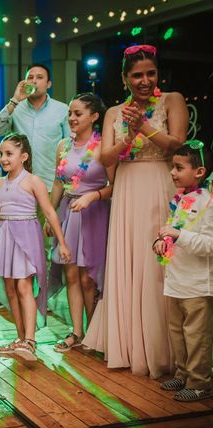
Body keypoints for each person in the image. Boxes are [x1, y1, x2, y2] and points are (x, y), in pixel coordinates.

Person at [83, 45, 188, 378]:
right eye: (137, 75)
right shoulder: (115, 112)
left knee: (159, 265)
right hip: (128, 189)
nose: (145, 81)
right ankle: (130, 345)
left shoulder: (172, 100)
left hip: (161, 184)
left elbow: (177, 144)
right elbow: (105, 158)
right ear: (125, 78)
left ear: (158, 74)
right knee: (131, 262)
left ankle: (170, 352)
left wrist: (144, 126)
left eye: (151, 73)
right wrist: (127, 136)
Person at [0, 134, 70, 361]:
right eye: (1, 154)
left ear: (24, 156)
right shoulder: (0, 183)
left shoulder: (33, 181)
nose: (3, 158)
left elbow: (49, 212)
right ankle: (20, 339)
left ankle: (30, 341)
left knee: (24, 287)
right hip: (6, 236)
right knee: (10, 290)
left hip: (26, 236)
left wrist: (63, 243)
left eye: (9, 153)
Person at [0, 64, 70, 312]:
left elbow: (67, 147)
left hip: (48, 185)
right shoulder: (17, 109)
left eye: (39, 77)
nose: (34, 80)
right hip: (17, 187)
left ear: (49, 83)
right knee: (7, 244)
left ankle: (41, 296)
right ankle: (3, 294)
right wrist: (13, 100)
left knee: (41, 247)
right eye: (29, 77)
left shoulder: (61, 110)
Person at [46, 94, 115, 352]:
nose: (72, 119)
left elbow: (115, 186)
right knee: (71, 274)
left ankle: (95, 336)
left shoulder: (102, 147)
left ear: (94, 117)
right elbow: (57, 182)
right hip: (67, 212)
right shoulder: (63, 145)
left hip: (94, 214)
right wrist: (51, 215)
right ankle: (77, 332)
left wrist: (93, 196)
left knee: (89, 279)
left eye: (78, 114)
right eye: (70, 114)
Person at [153, 141, 212, 401]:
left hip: (197, 285)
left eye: (179, 168)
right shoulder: (179, 199)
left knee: (196, 336)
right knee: (177, 333)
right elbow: (172, 233)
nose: (172, 172)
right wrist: (161, 243)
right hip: (175, 281)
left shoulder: (209, 202)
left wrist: (178, 235)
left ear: (199, 172)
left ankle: (200, 382)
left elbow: (209, 245)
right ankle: (182, 373)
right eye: (172, 167)